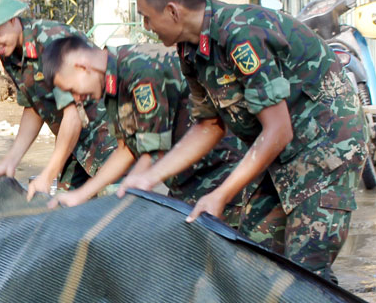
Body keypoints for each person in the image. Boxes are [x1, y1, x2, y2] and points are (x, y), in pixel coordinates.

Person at [116, 0, 367, 282]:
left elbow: (278, 130)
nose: (146, 27)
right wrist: (149, 178)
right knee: (254, 258)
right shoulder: (189, 50)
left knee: (306, 272)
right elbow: (209, 125)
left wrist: (220, 194)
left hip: (326, 145)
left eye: (147, 18)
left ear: (173, 11)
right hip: (281, 151)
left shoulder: (240, 34)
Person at [42, 36, 246, 225]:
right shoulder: (113, 82)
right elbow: (126, 150)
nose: (77, 99)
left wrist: (122, 197)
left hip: (220, 173)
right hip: (187, 179)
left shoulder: (138, 70)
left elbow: (153, 153)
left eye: (72, 90)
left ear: (82, 67)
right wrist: (81, 194)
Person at [0, 0, 114, 199]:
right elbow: (34, 107)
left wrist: (49, 174)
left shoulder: (53, 42)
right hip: (74, 146)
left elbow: (74, 115)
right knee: (67, 211)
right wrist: (11, 159)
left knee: (119, 211)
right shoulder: (10, 53)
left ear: (12, 19)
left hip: (108, 140)